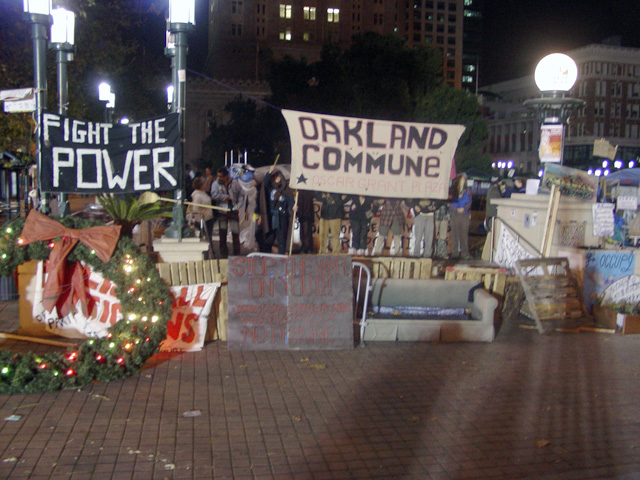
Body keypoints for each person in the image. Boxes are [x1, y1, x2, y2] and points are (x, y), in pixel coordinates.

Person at [257, 167, 295, 254]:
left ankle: (281, 257)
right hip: (271, 217)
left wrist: (293, 207)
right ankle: (267, 256)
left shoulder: (286, 190)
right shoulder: (270, 188)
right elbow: (265, 183)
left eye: (278, 176)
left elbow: (291, 201)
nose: (277, 178)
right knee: (269, 239)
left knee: (281, 239)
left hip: (282, 218)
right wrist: (269, 173)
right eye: (274, 177)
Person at [210, 166, 244, 257]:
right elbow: (214, 195)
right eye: (218, 176)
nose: (219, 178)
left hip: (233, 211)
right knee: (222, 233)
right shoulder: (215, 184)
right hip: (222, 211)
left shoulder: (235, 183)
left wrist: (239, 205)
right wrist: (226, 197)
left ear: (226, 176)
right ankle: (224, 254)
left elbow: (241, 194)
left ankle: (236, 253)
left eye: (221, 176)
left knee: (235, 233)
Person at [449, 173, 472, 259]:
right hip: (455, 215)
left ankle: (465, 253)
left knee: (464, 235)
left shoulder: (468, 191)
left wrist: (464, 208)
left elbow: (470, 202)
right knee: (454, 235)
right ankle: (454, 253)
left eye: (464, 179)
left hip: (464, 215)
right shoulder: (452, 190)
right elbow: (449, 203)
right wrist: (456, 209)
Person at [186, 176, 214, 241]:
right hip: (202, 220)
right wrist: (199, 218)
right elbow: (195, 209)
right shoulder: (197, 195)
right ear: (201, 185)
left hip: (208, 219)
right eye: (204, 183)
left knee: (208, 237)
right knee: (203, 238)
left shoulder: (203, 193)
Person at [296, 189, 316, 254]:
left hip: (306, 215)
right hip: (304, 215)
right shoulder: (301, 192)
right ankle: (306, 247)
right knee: (304, 232)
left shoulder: (305, 192)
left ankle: (306, 247)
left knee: (306, 232)